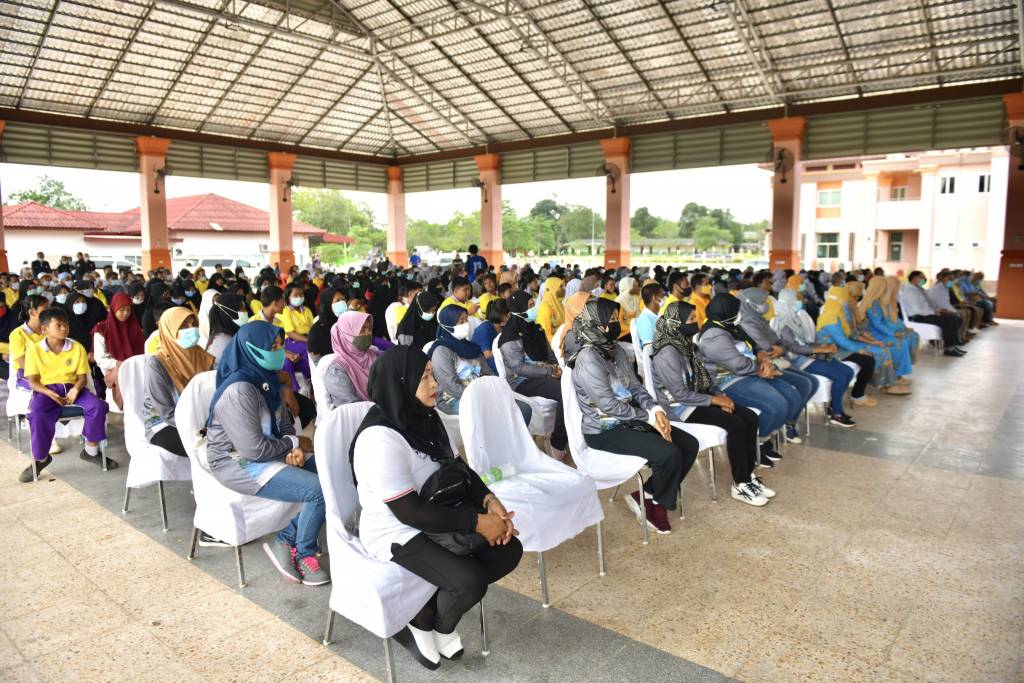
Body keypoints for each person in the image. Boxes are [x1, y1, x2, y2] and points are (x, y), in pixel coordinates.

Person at [352, 345, 522, 669]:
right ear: (401, 383)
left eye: (432, 374)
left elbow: (459, 469)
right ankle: (422, 621)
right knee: (469, 581)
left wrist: (490, 502)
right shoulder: (379, 439)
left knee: (508, 551)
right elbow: (409, 512)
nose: (435, 384)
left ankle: (437, 620)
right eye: (424, 378)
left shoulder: (427, 417)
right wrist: (478, 523)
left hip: (439, 510)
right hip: (397, 529)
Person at [205, 321, 329, 586]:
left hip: (269, 450)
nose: (279, 351)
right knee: (318, 490)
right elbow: (253, 449)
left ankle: (287, 539)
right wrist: (291, 444)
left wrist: (292, 447)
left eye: (280, 345)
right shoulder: (238, 390)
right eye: (272, 347)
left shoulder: (266, 377)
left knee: (331, 473)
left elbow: (284, 424)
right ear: (250, 349)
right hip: (236, 461)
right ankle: (302, 552)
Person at [569, 299, 697, 533]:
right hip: (604, 430)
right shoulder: (587, 359)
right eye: (612, 320)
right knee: (669, 454)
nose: (617, 324)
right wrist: (649, 418)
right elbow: (609, 406)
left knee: (688, 444)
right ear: (597, 323)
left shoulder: (614, 349)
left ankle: (647, 494)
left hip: (630, 419)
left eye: (617, 319)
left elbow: (635, 387)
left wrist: (655, 410)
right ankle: (657, 505)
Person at [649, 302, 771, 506]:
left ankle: (748, 476)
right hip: (679, 408)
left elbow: (705, 378)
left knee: (749, 417)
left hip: (699, 398)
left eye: (694, 317)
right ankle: (740, 484)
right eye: (690, 319)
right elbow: (679, 394)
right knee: (736, 424)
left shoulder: (687, 344)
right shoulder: (667, 352)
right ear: (676, 323)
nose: (695, 322)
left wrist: (721, 396)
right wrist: (714, 400)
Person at [696, 294, 793, 465]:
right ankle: (757, 446)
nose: (739, 313)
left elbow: (754, 345)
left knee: (788, 395)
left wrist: (764, 359)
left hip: (749, 372)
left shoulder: (730, 326)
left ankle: (762, 440)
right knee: (777, 404)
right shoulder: (713, 335)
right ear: (727, 312)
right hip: (727, 381)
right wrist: (762, 369)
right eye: (736, 311)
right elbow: (738, 364)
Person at [20, 307, 110, 482]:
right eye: (59, 325)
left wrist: (75, 389)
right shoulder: (34, 350)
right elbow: (33, 382)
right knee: (36, 413)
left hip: (73, 387)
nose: (64, 328)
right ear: (45, 329)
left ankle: (91, 451)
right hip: (46, 391)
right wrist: (49, 393)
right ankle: (41, 458)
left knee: (97, 406)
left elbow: (82, 378)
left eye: (66, 324)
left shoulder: (76, 347)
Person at [737, 284, 819, 442]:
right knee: (803, 385)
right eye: (762, 302)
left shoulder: (759, 319)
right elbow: (767, 347)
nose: (766, 305)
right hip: (764, 366)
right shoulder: (747, 323)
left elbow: (779, 343)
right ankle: (785, 425)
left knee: (812, 382)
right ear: (750, 304)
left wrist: (780, 348)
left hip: (778, 361)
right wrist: (779, 348)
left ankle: (789, 421)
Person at [776, 288, 877, 409]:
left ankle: (836, 407)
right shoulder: (783, 323)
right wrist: (822, 349)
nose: (800, 301)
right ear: (789, 301)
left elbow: (807, 343)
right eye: (797, 299)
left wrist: (821, 347)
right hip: (798, 361)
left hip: (812, 355)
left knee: (849, 371)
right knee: (844, 373)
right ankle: (837, 411)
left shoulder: (795, 319)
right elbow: (795, 348)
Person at [497, 291, 567, 454]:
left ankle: (571, 433)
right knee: (565, 391)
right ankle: (557, 442)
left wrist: (557, 367)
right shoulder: (509, 337)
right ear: (519, 309)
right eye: (529, 306)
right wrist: (549, 371)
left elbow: (549, 353)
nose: (534, 309)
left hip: (544, 373)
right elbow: (519, 368)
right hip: (522, 381)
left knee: (574, 382)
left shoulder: (535, 328)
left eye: (533, 304)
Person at [144, 308, 214, 459]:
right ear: (169, 330)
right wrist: (202, 426)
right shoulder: (156, 365)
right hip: (166, 425)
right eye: (183, 326)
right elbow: (166, 413)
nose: (191, 329)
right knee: (213, 446)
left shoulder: (200, 354)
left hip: (202, 419)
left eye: (193, 324)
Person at [816, 285, 906, 396]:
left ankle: (886, 383)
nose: (848, 301)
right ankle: (883, 385)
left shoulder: (839, 313)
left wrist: (873, 342)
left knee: (881, 349)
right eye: (848, 297)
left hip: (844, 346)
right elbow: (842, 341)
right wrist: (860, 350)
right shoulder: (829, 317)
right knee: (877, 353)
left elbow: (853, 334)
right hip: (833, 351)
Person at [92, 292, 145, 410]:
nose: (126, 313)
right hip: (114, 369)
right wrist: (118, 363)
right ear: (114, 309)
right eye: (122, 310)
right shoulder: (102, 330)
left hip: (136, 367)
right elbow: (100, 359)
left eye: (128, 310)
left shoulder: (135, 328)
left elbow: (143, 352)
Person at [859, 276, 914, 386]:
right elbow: (877, 324)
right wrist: (893, 333)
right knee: (899, 344)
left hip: (879, 333)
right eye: (884, 287)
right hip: (873, 335)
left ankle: (897, 375)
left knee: (904, 340)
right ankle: (896, 376)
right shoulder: (872, 304)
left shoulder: (878, 302)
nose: (886, 289)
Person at [322, 310, 379, 408]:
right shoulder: (336, 370)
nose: (368, 333)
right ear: (345, 335)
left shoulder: (374, 355)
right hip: (363, 415)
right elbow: (351, 407)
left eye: (369, 329)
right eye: (362, 330)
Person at [901, 271, 966, 356]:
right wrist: (933, 312)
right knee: (949, 319)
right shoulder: (909, 291)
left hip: (927, 314)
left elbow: (930, 303)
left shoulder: (919, 289)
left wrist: (939, 310)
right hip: (918, 317)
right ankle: (949, 348)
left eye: (924, 277)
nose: (924, 279)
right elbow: (917, 310)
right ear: (914, 278)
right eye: (921, 277)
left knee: (954, 317)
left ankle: (953, 345)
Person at [277, 284, 314, 392]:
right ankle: (311, 378)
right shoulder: (286, 310)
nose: (299, 297)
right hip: (292, 340)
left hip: (307, 338)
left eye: (301, 295)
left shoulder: (307, 310)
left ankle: (312, 379)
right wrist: (308, 340)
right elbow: (290, 333)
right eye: (295, 295)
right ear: (288, 297)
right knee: (308, 349)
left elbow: (312, 327)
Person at [306, 287, 347, 364]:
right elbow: (317, 361)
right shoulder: (317, 330)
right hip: (330, 368)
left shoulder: (347, 323)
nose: (342, 303)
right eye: (337, 300)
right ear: (328, 303)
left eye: (343, 299)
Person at [205, 294, 248, 363]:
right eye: (242, 309)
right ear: (231, 313)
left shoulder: (228, 334)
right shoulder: (223, 343)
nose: (245, 312)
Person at [470, 298, 507, 373]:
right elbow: (488, 355)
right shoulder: (484, 329)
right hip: (486, 367)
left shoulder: (504, 326)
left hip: (500, 361)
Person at [635, 282, 664, 348]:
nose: (664, 297)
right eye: (662, 294)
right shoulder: (645, 320)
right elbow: (649, 348)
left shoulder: (658, 314)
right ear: (654, 298)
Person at [535, 276, 565, 341]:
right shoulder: (545, 308)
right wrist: (559, 344)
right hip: (554, 344)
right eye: (560, 287)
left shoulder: (559, 305)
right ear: (553, 289)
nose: (563, 289)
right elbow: (546, 334)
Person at [615, 276, 641, 342]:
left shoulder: (635, 297)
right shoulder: (618, 301)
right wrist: (634, 328)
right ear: (628, 287)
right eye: (634, 286)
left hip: (637, 330)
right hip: (625, 335)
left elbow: (639, 314)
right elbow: (619, 323)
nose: (637, 288)